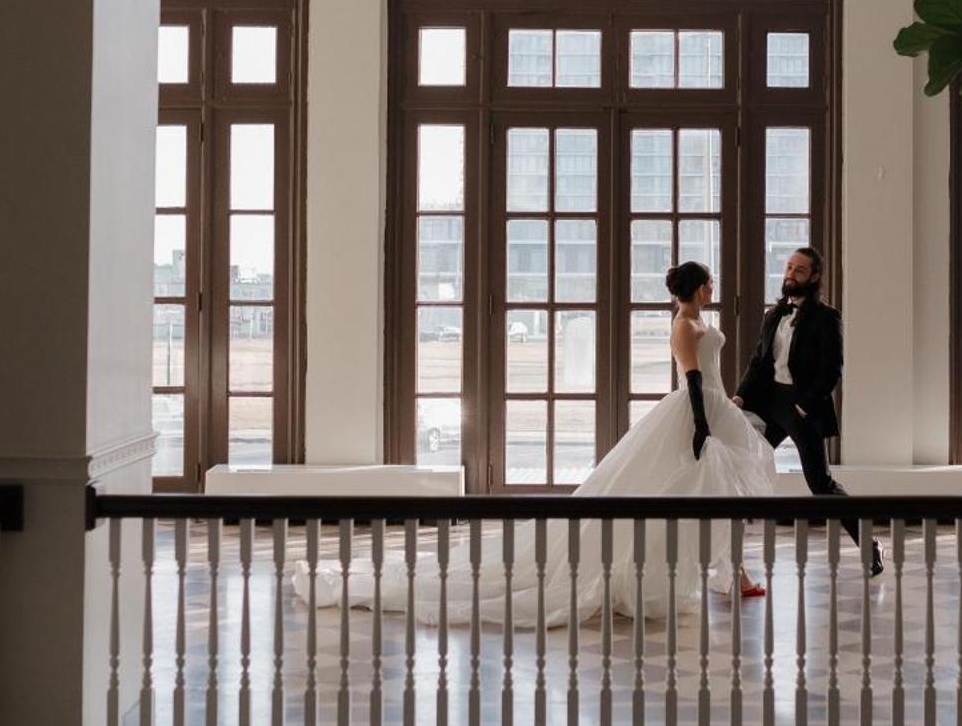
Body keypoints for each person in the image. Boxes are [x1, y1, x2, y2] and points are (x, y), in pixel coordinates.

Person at [310, 261, 774, 625]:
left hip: (714, 405)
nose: (714, 290)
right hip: (696, 410)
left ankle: (734, 573)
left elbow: (706, 377)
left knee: (717, 492)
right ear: (698, 288)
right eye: (710, 284)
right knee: (697, 492)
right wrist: (699, 424)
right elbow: (693, 378)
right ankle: (724, 574)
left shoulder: (698, 322)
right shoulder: (684, 327)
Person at [736, 247, 883, 576]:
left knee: (821, 484)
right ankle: (733, 561)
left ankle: (869, 544)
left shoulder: (827, 317)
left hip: (803, 408)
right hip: (769, 403)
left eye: (799, 270)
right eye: (789, 268)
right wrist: (741, 398)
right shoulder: (773, 315)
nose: (790, 274)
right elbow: (759, 362)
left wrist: (803, 407)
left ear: (814, 277)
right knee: (742, 466)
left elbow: (832, 370)